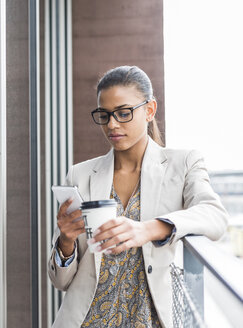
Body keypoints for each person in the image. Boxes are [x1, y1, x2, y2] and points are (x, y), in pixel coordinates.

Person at [48, 66, 228, 328]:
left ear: (150, 110)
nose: (112, 124)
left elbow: (215, 216)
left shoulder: (184, 163)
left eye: (123, 113)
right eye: (104, 115)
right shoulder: (80, 174)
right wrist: (65, 241)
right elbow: (61, 282)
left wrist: (149, 229)